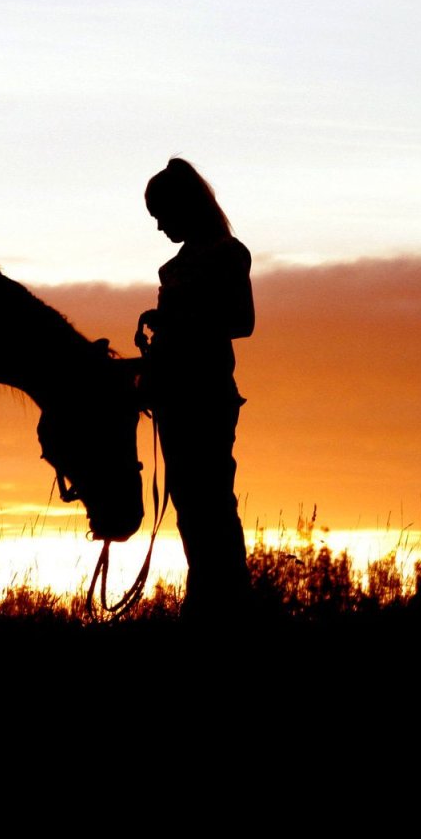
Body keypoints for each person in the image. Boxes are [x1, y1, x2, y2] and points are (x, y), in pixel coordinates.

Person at [135, 158, 254, 619]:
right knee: (190, 503)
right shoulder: (178, 266)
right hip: (174, 396)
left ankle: (224, 601)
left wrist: (175, 319)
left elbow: (241, 322)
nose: (161, 227)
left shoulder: (226, 253)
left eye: (163, 215)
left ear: (185, 207)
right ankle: (208, 600)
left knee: (212, 503)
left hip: (205, 397)